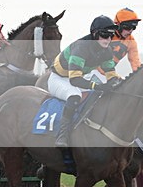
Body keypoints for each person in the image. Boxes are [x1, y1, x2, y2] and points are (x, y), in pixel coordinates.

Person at [49, 15, 121, 148]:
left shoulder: (107, 51)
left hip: (79, 78)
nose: (108, 39)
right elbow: (75, 80)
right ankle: (62, 135)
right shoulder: (81, 47)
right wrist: (98, 86)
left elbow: (111, 75)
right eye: (105, 35)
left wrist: (116, 85)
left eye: (111, 36)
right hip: (59, 79)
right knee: (74, 96)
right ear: (95, 34)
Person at [110, 7, 140, 73]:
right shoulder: (106, 35)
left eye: (133, 28)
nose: (130, 31)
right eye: (128, 27)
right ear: (118, 24)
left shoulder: (131, 42)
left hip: (108, 73)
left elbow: (135, 63)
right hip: (91, 70)